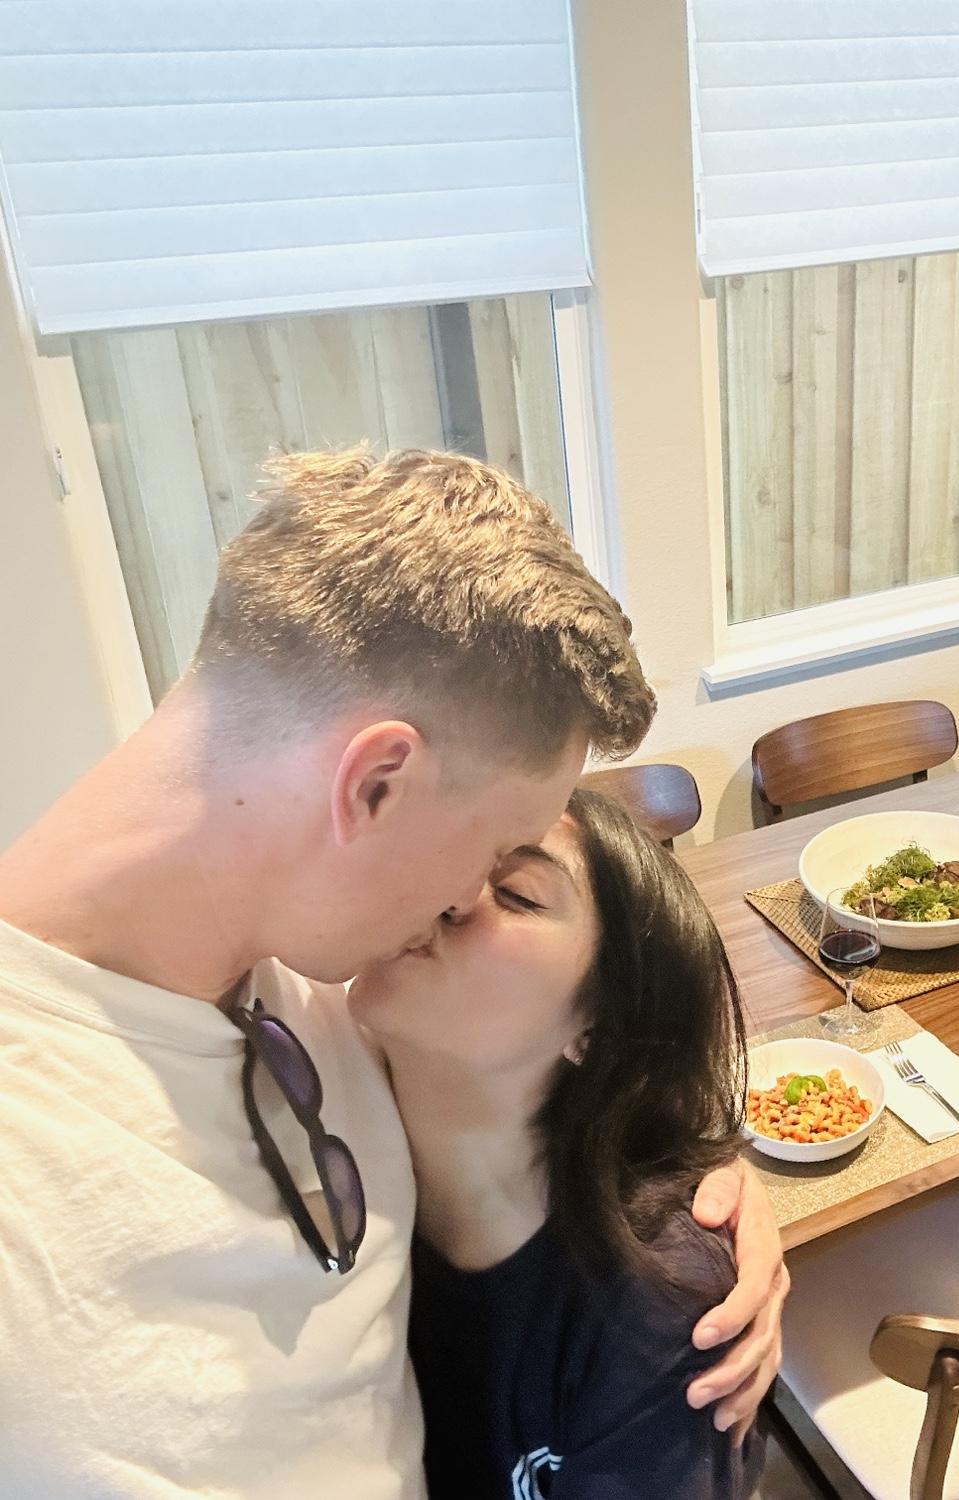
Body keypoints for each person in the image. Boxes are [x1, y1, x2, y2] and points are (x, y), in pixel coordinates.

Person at [0, 450, 786, 1498]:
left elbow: (605, 1069)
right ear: (375, 784)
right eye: (494, 847)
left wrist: (717, 1218)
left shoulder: (334, 985)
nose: (462, 900)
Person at [354, 788, 763, 1497]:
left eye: (516, 893)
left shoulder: (650, 1304)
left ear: (598, 1028)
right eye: (452, 855)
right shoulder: (311, 1130)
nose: (447, 889)